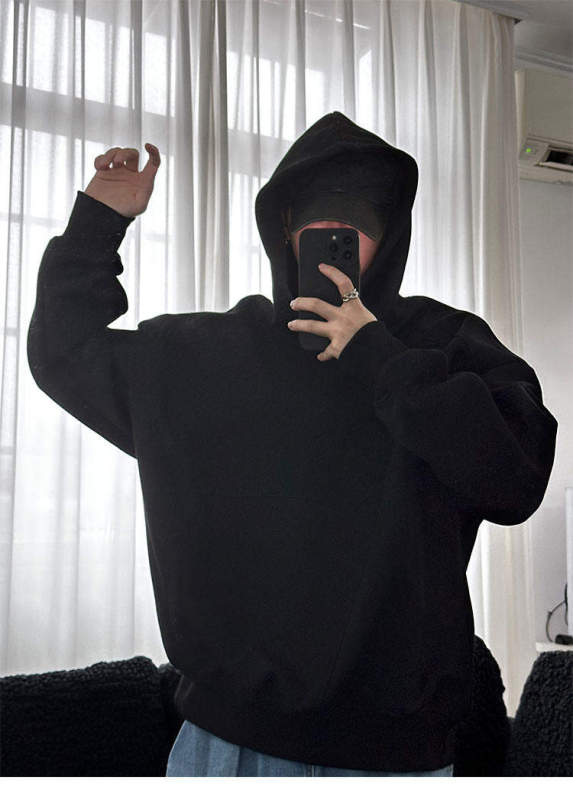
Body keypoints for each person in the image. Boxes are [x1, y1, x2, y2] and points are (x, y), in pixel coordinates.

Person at [27, 111, 558, 777]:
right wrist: (98, 223)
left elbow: (516, 478)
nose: (336, 238)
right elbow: (63, 351)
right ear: (283, 229)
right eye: (316, 219)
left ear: (392, 234)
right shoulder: (206, 356)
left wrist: (381, 360)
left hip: (392, 759)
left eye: (359, 222)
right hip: (225, 747)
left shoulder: (443, 345)